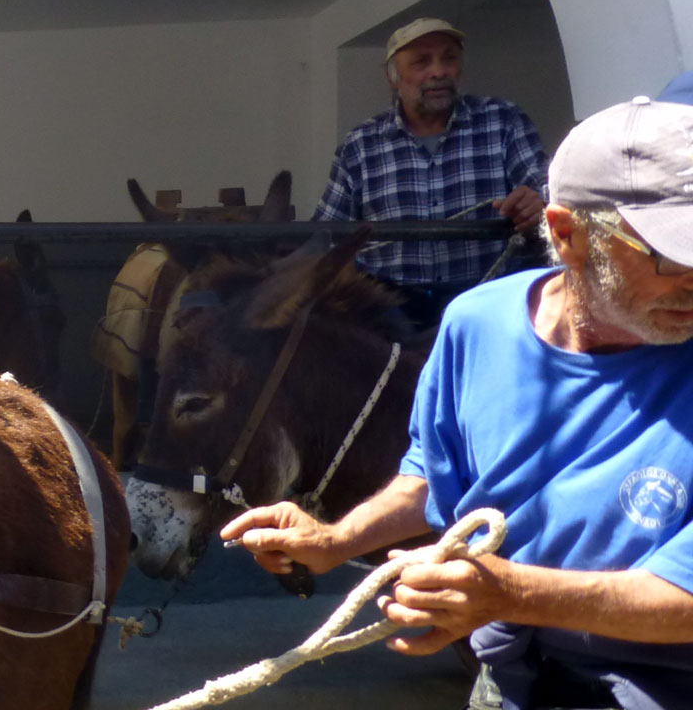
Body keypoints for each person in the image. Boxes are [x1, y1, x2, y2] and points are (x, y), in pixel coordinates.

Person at [226, 96, 693, 710]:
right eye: (667, 252)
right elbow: (433, 480)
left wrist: (508, 594)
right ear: (567, 234)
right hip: (508, 681)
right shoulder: (477, 324)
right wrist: (336, 539)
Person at [314, 17, 548, 326]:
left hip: (489, 303)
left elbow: (550, 193)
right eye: (422, 62)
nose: (438, 72)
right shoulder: (360, 145)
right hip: (392, 313)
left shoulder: (502, 121)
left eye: (448, 58)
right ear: (393, 77)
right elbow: (326, 236)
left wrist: (536, 204)